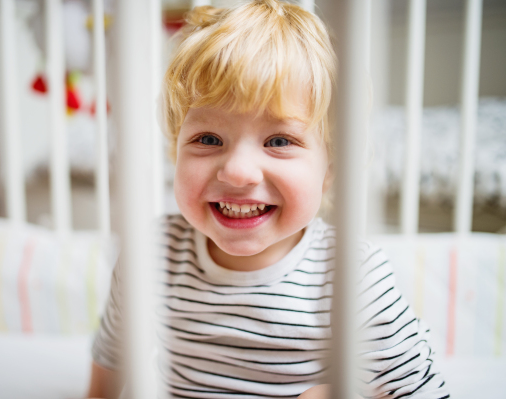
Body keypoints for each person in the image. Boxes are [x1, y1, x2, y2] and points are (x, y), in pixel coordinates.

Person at [87, 1, 450, 398]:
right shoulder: (152, 255)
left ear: (331, 167)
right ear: (176, 150)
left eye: (279, 141)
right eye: (208, 139)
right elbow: (114, 353)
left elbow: (423, 389)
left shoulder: (352, 276)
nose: (238, 171)